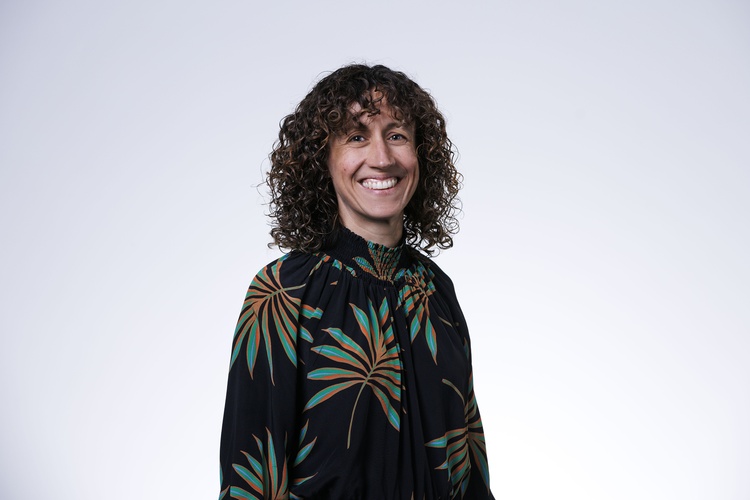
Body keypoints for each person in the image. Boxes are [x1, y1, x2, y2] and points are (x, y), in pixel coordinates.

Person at [219, 64, 494, 499]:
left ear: (421, 153)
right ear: (323, 159)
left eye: (397, 135)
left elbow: (470, 471)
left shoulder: (436, 291)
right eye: (356, 136)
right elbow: (251, 478)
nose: (382, 158)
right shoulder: (284, 292)